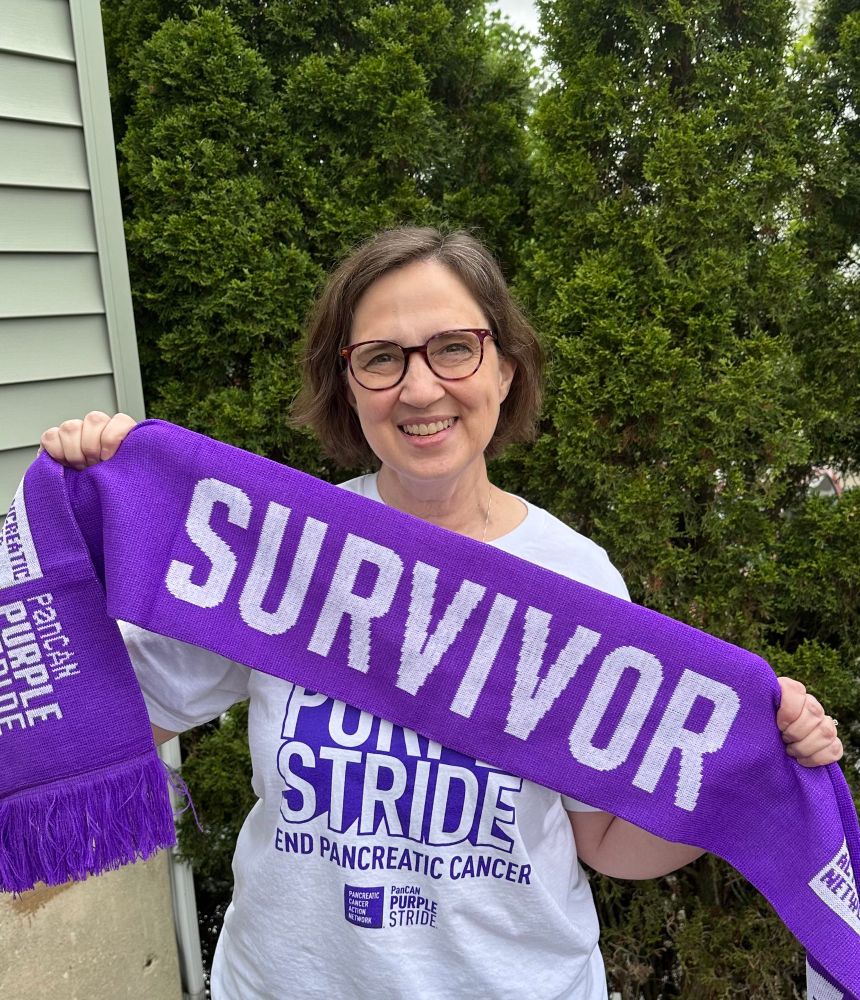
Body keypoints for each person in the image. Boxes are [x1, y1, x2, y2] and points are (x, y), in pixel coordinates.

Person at [41, 228, 842, 1000]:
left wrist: (747, 776)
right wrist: (92, 540)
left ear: (506, 369)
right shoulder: (279, 547)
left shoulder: (576, 579)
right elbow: (102, 726)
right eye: (381, 358)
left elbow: (604, 840)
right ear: (347, 385)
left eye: (454, 348)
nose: (420, 389)